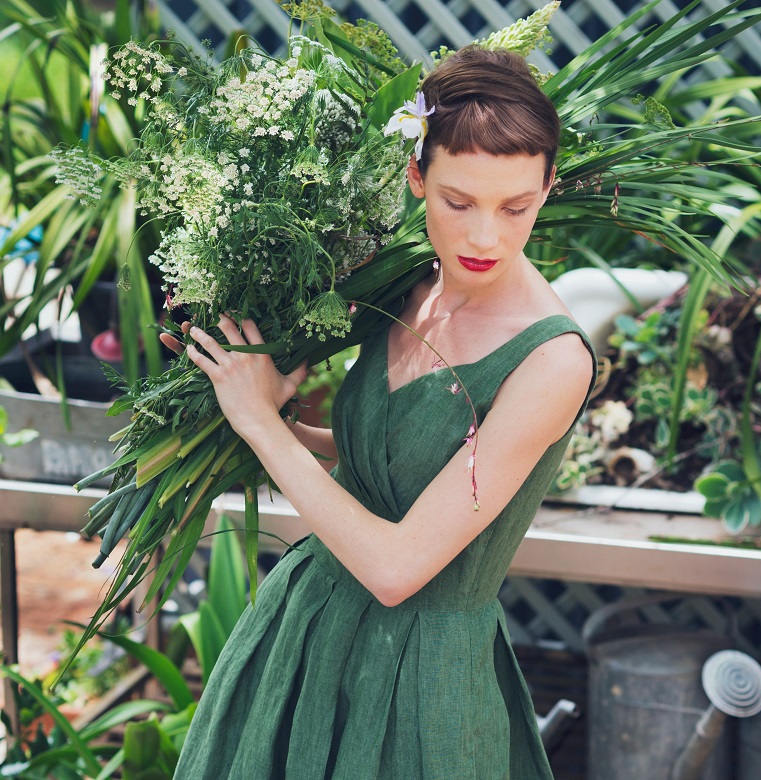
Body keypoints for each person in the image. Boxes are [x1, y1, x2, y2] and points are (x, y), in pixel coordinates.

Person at [169, 45, 596, 779]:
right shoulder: (411, 284)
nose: (485, 237)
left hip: (418, 683)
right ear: (415, 176)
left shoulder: (551, 361)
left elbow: (398, 568)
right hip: (305, 632)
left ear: (549, 186)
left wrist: (262, 427)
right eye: (458, 202)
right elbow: (399, 457)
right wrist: (276, 410)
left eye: (516, 206)